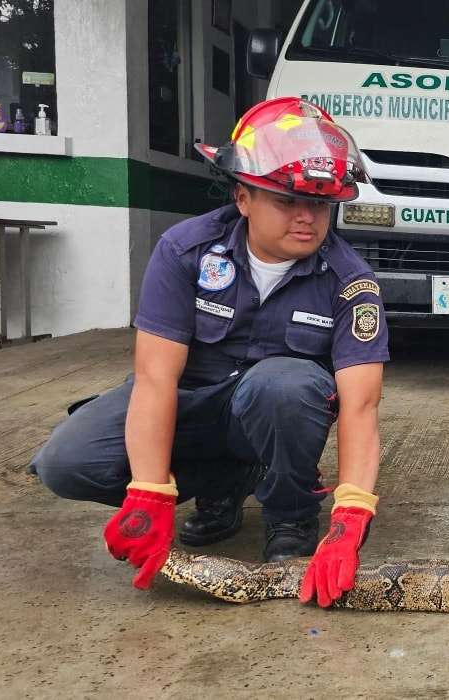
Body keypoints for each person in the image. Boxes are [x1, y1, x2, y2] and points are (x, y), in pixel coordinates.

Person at [29, 97, 388, 608]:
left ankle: (290, 516)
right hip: (188, 405)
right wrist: (150, 492)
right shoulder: (186, 250)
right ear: (243, 197)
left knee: (285, 386)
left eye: (321, 204)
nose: (307, 217)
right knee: (67, 462)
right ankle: (224, 482)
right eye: (287, 201)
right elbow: (155, 377)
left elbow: (361, 404)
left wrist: (350, 517)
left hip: (269, 414)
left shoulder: (350, 281)